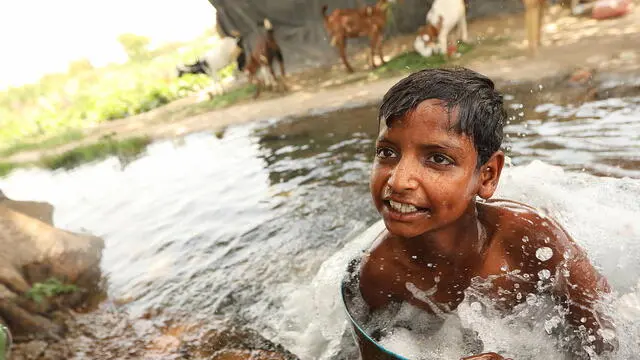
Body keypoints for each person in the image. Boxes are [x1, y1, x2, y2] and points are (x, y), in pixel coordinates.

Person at [358, 67, 616, 359]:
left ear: (487, 175)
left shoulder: (533, 240)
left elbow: (606, 341)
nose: (398, 181)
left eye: (438, 158)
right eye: (387, 153)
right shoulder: (380, 274)